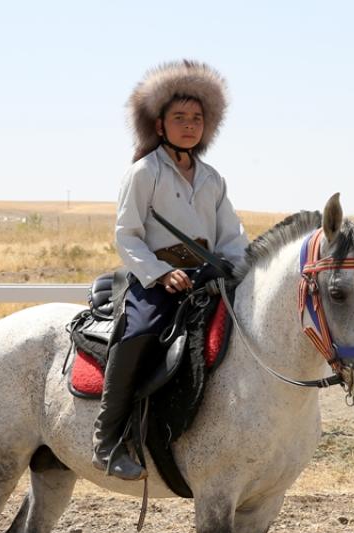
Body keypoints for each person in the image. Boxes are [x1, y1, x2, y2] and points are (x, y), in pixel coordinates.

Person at [92, 59, 249, 480]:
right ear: (160, 126)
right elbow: (127, 234)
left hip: (206, 276)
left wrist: (240, 269)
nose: (189, 125)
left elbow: (231, 235)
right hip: (156, 277)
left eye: (197, 118)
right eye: (179, 117)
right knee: (141, 332)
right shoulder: (144, 172)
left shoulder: (213, 179)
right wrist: (160, 272)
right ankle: (106, 440)